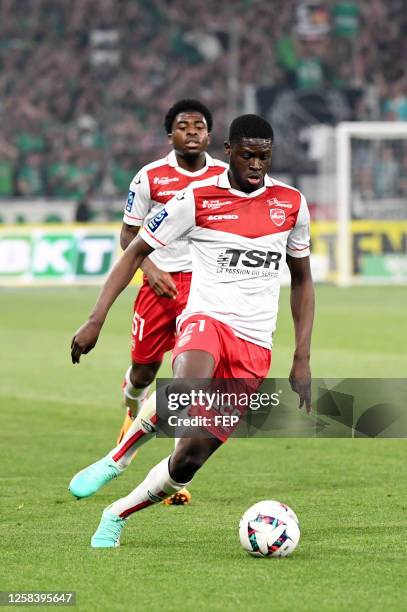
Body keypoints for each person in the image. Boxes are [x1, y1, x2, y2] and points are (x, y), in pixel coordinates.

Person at [70, 114, 315, 548]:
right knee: (186, 385)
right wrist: (96, 319)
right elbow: (134, 250)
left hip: (255, 343)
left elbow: (302, 280)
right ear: (228, 152)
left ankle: (117, 513)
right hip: (207, 319)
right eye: (247, 155)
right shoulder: (195, 198)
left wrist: (302, 357)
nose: (256, 164)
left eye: (264, 156)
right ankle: (117, 458)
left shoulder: (291, 204)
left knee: (189, 459)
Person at [69, 99, 227, 505]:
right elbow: (129, 235)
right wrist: (151, 269)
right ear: (169, 135)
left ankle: (173, 472)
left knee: (188, 380)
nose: (191, 131)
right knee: (143, 371)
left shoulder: (225, 177)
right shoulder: (149, 178)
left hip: (203, 286)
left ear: (209, 134)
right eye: (182, 126)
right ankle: (131, 400)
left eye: (199, 126)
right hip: (158, 287)